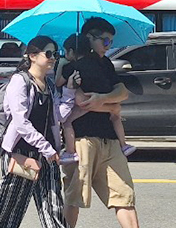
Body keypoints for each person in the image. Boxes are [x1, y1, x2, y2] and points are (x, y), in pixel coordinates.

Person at [61, 17, 173, 228]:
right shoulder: (73, 68)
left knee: (123, 193)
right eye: (105, 40)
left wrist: (104, 99)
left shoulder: (107, 65)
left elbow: (122, 93)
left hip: (109, 137)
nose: (109, 45)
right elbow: (80, 102)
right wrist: (109, 104)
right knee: (76, 196)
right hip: (81, 139)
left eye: (111, 40)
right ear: (90, 37)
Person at [0, 36, 86, 228]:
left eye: (55, 53)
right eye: (49, 53)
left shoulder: (48, 84)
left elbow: (57, 115)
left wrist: (69, 89)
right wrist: (46, 148)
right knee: (10, 201)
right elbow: (20, 121)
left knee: (53, 204)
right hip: (20, 154)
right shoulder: (20, 81)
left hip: (44, 153)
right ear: (32, 55)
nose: (53, 58)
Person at [56, 34, 135, 166]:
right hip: (105, 96)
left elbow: (58, 82)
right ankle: (124, 144)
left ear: (71, 51)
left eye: (65, 51)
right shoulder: (100, 62)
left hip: (86, 101)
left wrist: (61, 65)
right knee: (115, 117)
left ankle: (70, 151)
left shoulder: (71, 67)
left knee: (67, 121)